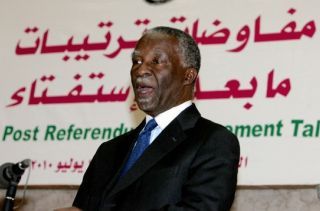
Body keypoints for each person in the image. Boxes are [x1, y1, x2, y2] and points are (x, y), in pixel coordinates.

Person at [58, 26, 240, 211]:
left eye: (156, 61)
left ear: (188, 75)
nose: (140, 70)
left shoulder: (213, 141)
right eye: (136, 61)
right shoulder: (108, 151)